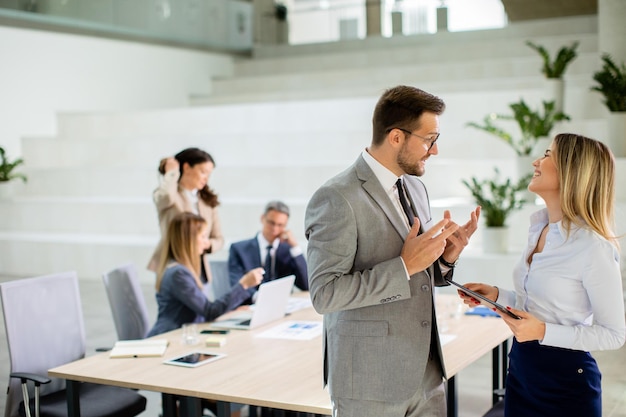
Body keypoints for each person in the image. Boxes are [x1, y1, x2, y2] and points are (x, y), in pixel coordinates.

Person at [304, 85, 480, 417]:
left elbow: (422, 273)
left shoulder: (416, 186)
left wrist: (445, 258)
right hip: (370, 385)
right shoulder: (336, 197)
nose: (435, 151)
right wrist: (403, 266)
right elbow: (324, 295)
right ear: (396, 137)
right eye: (430, 140)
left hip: (427, 376)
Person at [458, 133, 625, 417]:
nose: (536, 161)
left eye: (547, 155)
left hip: (567, 385)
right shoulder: (540, 229)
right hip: (522, 371)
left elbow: (614, 335)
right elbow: (537, 307)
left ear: (572, 171)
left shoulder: (593, 248)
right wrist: (497, 296)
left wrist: (544, 332)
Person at [147, 212, 263, 337]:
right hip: (170, 338)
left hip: (183, 336)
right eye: (203, 237)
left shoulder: (182, 270)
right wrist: (244, 284)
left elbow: (203, 312)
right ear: (188, 240)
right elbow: (209, 311)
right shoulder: (178, 274)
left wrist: (230, 313)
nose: (206, 243)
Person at [147, 147, 224, 284]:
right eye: (203, 172)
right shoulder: (170, 195)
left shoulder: (208, 201)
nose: (206, 178)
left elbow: (219, 238)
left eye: (209, 174)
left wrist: (208, 244)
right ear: (187, 167)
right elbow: (164, 196)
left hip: (199, 268)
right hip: (172, 264)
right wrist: (172, 171)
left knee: (202, 305)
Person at [228, 200, 308, 304]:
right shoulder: (239, 249)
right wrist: (259, 299)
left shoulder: (287, 250)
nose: (275, 229)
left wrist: (295, 247)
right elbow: (236, 284)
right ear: (262, 218)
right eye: (271, 223)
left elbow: (306, 285)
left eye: (280, 225)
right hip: (250, 306)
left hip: (281, 306)